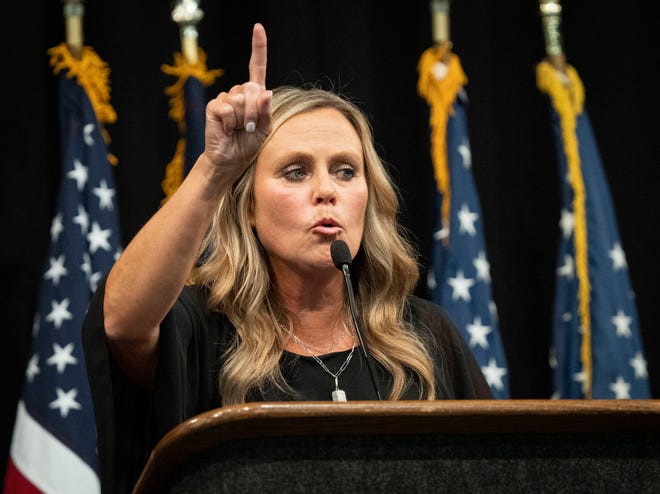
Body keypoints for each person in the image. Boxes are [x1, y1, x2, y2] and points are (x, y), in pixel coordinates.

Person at [82, 22, 492, 493]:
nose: (326, 191)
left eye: (345, 171)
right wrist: (215, 168)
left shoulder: (426, 337)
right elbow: (120, 323)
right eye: (295, 172)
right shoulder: (201, 331)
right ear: (249, 208)